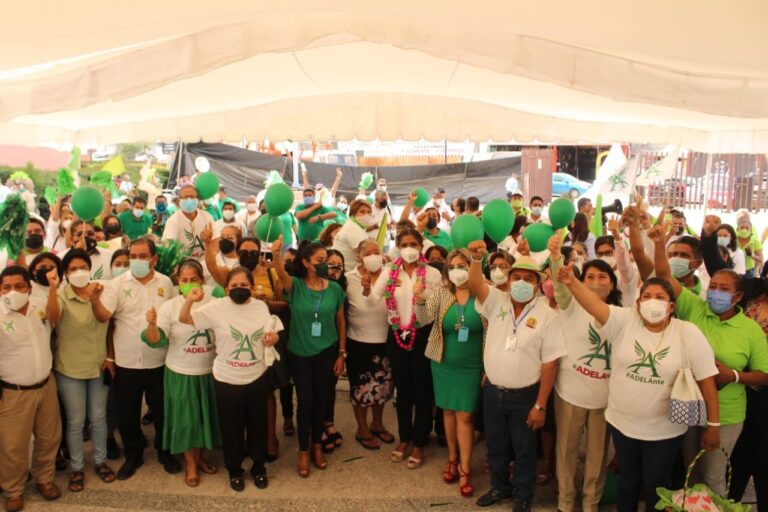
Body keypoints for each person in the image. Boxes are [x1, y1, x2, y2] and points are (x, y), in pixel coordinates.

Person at [558, 258, 721, 512]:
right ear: (638, 302)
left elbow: (707, 380)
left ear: (670, 306)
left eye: (659, 296)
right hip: (623, 425)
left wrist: (713, 424)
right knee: (628, 484)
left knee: (656, 485)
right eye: (646, 295)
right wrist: (572, 283)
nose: (652, 301)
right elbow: (593, 305)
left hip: (664, 432)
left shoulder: (687, 333)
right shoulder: (625, 321)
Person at [651, 221, 768, 496]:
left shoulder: (750, 329)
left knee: (714, 476)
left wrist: (734, 376)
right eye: (713, 286)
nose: (715, 292)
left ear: (738, 296)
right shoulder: (695, 307)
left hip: (727, 413)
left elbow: (764, 374)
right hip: (689, 404)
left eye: (724, 289)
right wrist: (659, 244)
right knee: (690, 472)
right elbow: (665, 276)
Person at [466, 244, 565, 512]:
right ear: (508, 281)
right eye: (516, 277)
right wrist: (477, 259)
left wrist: (540, 405)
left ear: (538, 284)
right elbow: (475, 284)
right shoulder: (497, 300)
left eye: (528, 278)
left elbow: (550, 364)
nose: (521, 282)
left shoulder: (547, 315)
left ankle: (523, 495)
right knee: (496, 445)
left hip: (526, 395)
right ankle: (500, 486)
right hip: (493, 391)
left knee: (524, 450)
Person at [180, 267, 282, 490]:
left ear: (252, 288)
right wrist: (190, 299)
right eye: (234, 286)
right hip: (226, 378)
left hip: (256, 375)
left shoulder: (260, 307)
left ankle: (258, 467)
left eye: (244, 286)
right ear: (226, 289)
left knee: (257, 426)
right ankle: (234, 470)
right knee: (231, 428)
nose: (239, 290)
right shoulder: (217, 307)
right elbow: (185, 318)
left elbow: (271, 331)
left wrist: (273, 337)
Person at [92, 237, 180, 479]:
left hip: (160, 361)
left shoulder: (166, 283)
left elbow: (173, 318)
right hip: (127, 362)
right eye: (133, 256)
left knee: (163, 411)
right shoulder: (117, 284)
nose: (136, 261)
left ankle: (165, 452)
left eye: (142, 256)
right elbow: (103, 317)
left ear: (154, 259)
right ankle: (134, 456)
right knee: (127, 413)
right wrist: (93, 300)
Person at [700, 214, 768, 508]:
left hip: (761, 392)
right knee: (734, 459)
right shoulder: (751, 292)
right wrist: (708, 238)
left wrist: (737, 376)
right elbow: (720, 273)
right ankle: (728, 502)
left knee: (763, 459)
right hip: (736, 398)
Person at [548, 234, 620, 512]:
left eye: (603, 277)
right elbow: (561, 285)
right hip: (569, 395)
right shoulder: (569, 306)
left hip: (604, 400)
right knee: (565, 453)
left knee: (596, 457)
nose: (596, 281)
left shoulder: (620, 313)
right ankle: (565, 503)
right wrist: (556, 257)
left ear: (612, 284)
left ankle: (591, 503)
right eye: (589, 276)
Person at [364, 228, 442, 469]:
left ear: (421, 246)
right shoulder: (390, 270)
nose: (409, 248)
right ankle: (405, 438)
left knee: (422, 390)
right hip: (397, 334)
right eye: (404, 243)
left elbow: (435, 307)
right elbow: (372, 301)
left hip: (422, 334)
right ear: (397, 246)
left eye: (413, 243)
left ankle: (419, 442)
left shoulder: (432, 273)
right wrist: (368, 286)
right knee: (403, 391)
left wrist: (422, 294)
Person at [143, 259, 221, 487]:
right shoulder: (169, 306)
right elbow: (157, 340)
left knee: (204, 419)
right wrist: (151, 325)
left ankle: (200, 458)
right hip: (181, 372)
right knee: (187, 421)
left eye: (193, 280)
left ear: (202, 280)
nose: (188, 284)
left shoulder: (214, 303)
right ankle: (190, 464)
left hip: (208, 372)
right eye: (183, 280)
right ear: (178, 282)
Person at [272, 237, 346, 477]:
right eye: (320, 260)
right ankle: (303, 451)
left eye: (326, 260)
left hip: (327, 352)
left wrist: (341, 354)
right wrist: (275, 255)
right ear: (306, 262)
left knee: (322, 402)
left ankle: (317, 446)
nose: (325, 265)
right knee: (305, 403)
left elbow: (341, 323)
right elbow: (280, 275)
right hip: (300, 353)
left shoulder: (335, 289)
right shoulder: (295, 286)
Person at [415, 249, 485, 498]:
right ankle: (452, 459)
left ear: (473, 267)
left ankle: (465, 468)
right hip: (443, 364)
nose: (458, 270)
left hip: (473, 366)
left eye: (464, 265)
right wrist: (419, 300)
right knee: (448, 411)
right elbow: (421, 320)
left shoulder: (483, 293)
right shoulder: (442, 293)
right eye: (453, 266)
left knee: (465, 415)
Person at [0, 266, 63, 512]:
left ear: (28, 286)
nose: (13, 291)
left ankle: (45, 479)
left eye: (19, 286)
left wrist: (54, 290)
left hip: (46, 385)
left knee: (49, 438)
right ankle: (13, 491)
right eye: (6, 287)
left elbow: (56, 318)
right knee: (13, 445)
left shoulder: (39, 304)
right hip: (13, 392)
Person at [345, 239, 394, 450]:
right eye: (368, 251)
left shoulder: (390, 276)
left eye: (377, 251)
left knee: (383, 387)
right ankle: (362, 428)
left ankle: (378, 423)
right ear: (359, 256)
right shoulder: (348, 278)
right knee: (361, 389)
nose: (373, 255)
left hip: (386, 340)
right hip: (358, 341)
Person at [162, 185, 214, 260]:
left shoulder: (207, 217)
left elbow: (216, 241)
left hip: (205, 265)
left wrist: (209, 239)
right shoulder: (173, 221)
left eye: (192, 197)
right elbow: (169, 248)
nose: (189, 200)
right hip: (183, 266)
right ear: (179, 199)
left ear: (198, 199)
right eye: (185, 197)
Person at [332, 199, 376, 273]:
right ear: (353, 214)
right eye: (362, 212)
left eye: (369, 212)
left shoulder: (355, 225)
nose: (366, 215)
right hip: (347, 272)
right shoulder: (352, 228)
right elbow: (366, 253)